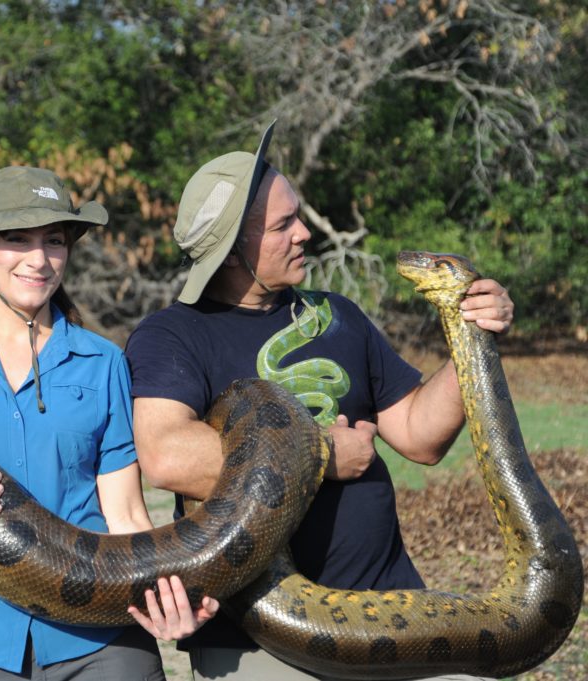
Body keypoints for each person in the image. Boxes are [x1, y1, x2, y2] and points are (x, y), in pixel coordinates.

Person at [124, 122, 513, 681]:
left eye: (298, 216)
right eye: (283, 225)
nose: (305, 233)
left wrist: (471, 334)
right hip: (262, 638)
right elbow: (165, 455)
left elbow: (421, 437)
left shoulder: (339, 315)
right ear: (234, 250)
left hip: (390, 611)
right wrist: (324, 455)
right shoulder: (173, 335)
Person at [0, 165, 218, 680]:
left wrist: (170, 596)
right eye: (17, 239)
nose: (39, 259)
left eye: (54, 240)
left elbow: (127, 515)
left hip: (99, 635)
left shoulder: (103, 361)